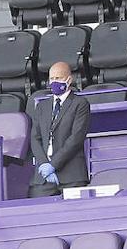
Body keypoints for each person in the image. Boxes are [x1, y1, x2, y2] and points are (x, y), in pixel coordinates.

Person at [30, 62, 91, 197]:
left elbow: (76, 138)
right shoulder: (42, 107)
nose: (54, 82)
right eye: (52, 79)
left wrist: (54, 165)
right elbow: (35, 138)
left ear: (69, 80)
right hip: (44, 177)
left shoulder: (80, 104)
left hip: (72, 175)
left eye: (58, 78)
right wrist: (45, 165)